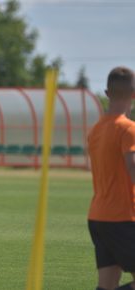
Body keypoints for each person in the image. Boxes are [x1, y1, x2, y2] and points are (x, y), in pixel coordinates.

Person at [87, 67, 135, 290]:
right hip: (124, 217)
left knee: (106, 285)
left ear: (107, 93)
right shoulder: (128, 129)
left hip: (99, 216)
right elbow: (132, 168)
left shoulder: (95, 130)